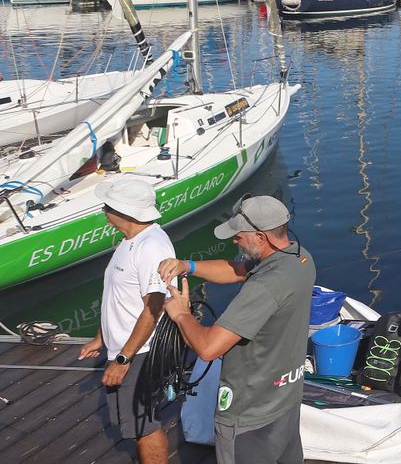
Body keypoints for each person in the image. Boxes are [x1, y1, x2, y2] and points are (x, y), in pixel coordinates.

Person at [157, 196, 315, 464]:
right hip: (285, 400)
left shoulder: (264, 287)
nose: (234, 241)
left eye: (239, 237)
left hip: (249, 414)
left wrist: (182, 313)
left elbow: (208, 348)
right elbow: (238, 270)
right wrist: (188, 266)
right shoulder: (299, 256)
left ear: (261, 238)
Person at [81, 178, 176, 463]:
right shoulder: (129, 241)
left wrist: (123, 359)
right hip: (125, 348)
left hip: (140, 354)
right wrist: (102, 337)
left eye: (107, 206)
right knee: (137, 426)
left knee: (144, 427)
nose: (103, 211)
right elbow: (118, 296)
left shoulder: (151, 247)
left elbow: (153, 308)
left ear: (124, 212)